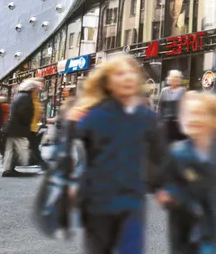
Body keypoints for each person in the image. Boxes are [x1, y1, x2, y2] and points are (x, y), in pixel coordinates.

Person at [67, 56, 166, 254]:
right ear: (108, 82)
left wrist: (161, 186)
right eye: (120, 74)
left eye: (131, 73)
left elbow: (158, 155)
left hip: (132, 200)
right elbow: (74, 151)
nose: (127, 78)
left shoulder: (146, 117)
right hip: (97, 201)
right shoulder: (94, 116)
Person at [158, 92, 216, 254]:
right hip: (182, 224)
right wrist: (168, 195)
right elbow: (167, 180)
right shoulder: (177, 152)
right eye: (188, 114)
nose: (193, 119)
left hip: (209, 224)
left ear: (213, 119)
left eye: (199, 114)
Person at [3, 79, 42, 177]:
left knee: (10, 150)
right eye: (37, 88)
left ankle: (8, 170)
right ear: (32, 88)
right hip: (19, 128)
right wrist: (28, 123)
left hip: (12, 127)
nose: (39, 90)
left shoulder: (18, 95)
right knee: (22, 149)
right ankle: (24, 164)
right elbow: (24, 112)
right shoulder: (26, 97)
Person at [159, 70, 188, 143]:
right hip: (166, 123)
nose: (175, 80)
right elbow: (160, 106)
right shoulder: (164, 91)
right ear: (169, 79)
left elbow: (185, 108)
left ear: (179, 79)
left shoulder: (183, 91)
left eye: (177, 78)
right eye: (173, 78)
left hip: (178, 124)